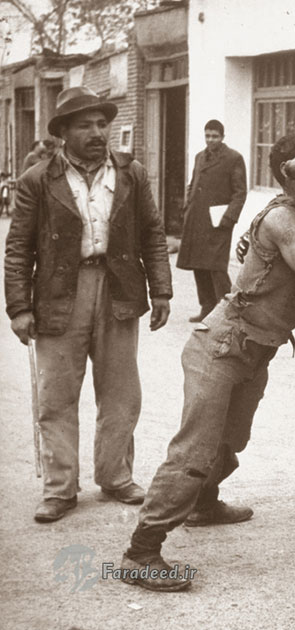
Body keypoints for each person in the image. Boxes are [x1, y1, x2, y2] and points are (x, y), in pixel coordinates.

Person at [120, 130, 295, 591]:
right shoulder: (283, 219)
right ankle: (142, 550)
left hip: (257, 348)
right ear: (288, 174)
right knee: (194, 449)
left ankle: (204, 503)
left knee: (232, 438)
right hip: (223, 343)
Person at [4, 85, 173, 522]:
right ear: (63, 132)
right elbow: (18, 247)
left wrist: (162, 290)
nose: (98, 132)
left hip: (118, 290)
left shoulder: (130, 172)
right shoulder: (37, 180)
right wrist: (19, 307)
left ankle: (115, 477)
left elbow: (152, 234)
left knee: (121, 392)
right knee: (57, 396)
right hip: (60, 295)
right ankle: (60, 489)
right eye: (86, 125)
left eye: (102, 124)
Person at [176, 119, 247, 322]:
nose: (211, 140)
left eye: (215, 136)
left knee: (216, 267)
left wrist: (228, 218)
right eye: (207, 135)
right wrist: (187, 206)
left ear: (222, 137)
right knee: (199, 265)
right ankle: (206, 307)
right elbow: (192, 183)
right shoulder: (200, 157)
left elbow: (240, 192)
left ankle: (227, 311)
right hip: (197, 219)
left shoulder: (233, 158)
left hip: (218, 222)